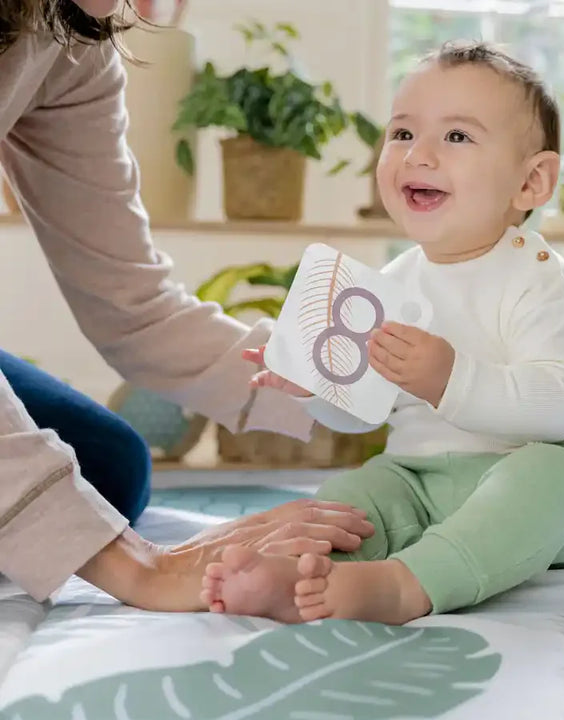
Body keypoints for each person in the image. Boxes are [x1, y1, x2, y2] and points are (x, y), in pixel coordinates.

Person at [200, 40, 564, 625]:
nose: (418, 155)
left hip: (562, 482)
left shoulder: (539, 280)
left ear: (531, 183)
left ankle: (407, 584)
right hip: (425, 482)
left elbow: (559, 409)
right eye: (403, 134)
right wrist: (319, 388)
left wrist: (448, 378)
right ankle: (299, 572)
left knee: (548, 478)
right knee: (356, 497)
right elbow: (367, 412)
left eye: (456, 137)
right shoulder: (392, 284)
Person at [0, 0, 373, 612]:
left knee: (110, 470)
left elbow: (134, 305)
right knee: (65, 523)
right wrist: (138, 568)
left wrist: (346, 382)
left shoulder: (73, 39)